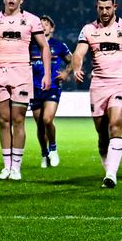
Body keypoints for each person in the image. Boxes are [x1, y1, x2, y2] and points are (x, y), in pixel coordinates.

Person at [70, 0, 122, 188]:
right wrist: (77, 67)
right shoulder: (89, 29)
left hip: (120, 85)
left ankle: (111, 175)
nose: (104, 12)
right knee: (102, 135)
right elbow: (79, 53)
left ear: (115, 7)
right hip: (98, 85)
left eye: (108, 7)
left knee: (115, 125)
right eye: (101, 8)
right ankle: (108, 170)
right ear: (96, 7)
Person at [0, 0, 50, 180]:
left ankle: (16, 168)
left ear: (21, 0)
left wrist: (47, 74)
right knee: (3, 121)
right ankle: (6, 167)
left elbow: (44, 47)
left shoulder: (31, 20)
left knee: (18, 120)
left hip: (22, 74)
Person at [31, 15, 72, 168]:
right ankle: (44, 154)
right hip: (34, 89)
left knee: (47, 119)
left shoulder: (58, 45)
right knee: (40, 125)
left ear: (51, 28)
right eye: (40, 24)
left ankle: (53, 148)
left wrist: (66, 73)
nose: (43, 26)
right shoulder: (31, 45)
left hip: (52, 87)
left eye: (46, 24)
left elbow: (72, 59)